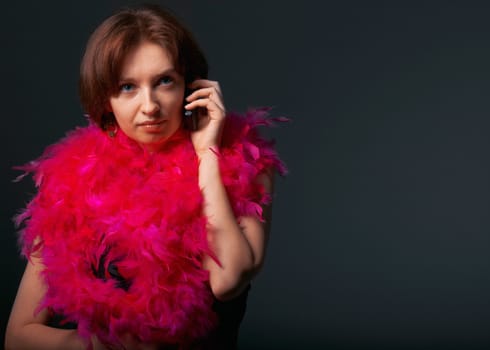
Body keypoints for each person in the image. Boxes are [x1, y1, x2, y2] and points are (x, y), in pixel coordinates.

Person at [5, 4, 286, 350]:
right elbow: (19, 335)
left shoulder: (246, 165)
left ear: (190, 86)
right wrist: (96, 346)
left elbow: (228, 280)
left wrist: (207, 156)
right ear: (105, 99)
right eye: (127, 87)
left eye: (164, 81)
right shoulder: (71, 181)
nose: (150, 105)